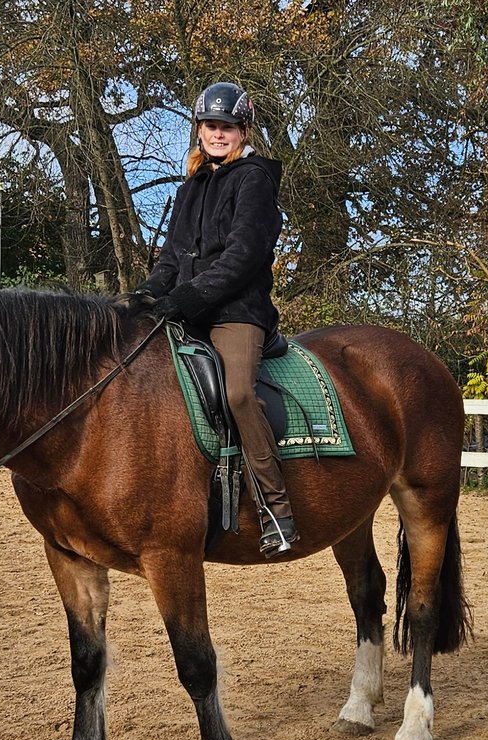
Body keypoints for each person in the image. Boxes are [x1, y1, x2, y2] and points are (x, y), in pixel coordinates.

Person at [121, 81, 298, 558]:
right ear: (199, 130)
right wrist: (145, 294)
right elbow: (170, 260)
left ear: (243, 130)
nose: (218, 134)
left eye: (227, 127)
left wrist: (187, 297)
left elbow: (243, 256)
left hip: (236, 313)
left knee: (238, 393)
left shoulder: (255, 179)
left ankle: (275, 510)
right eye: (210, 126)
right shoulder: (189, 188)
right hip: (189, 306)